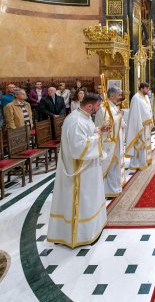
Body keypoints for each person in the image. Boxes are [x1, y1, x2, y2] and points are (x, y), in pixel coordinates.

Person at [47, 93, 109, 248]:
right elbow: (78, 148)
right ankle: (81, 233)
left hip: (89, 167)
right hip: (80, 170)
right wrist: (98, 135)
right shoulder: (75, 121)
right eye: (97, 105)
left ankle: (92, 227)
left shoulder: (83, 117)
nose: (98, 108)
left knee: (91, 196)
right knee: (83, 199)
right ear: (89, 106)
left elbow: (88, 133)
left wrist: (98, 130)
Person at [95, 87, 126, 197]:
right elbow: (108, 125)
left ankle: (115, 187)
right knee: (110, 165)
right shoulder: (104, 108)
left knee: (115, 165)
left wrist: (119, 116)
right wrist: (119, 116)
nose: (120, 97)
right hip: (108, 142)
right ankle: (109, 189)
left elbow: (116, 120)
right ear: (112, 96)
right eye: (118, 95)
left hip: (115, 141)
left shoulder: (112, 107)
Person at [125, 83, 153, 170]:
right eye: (146, 88)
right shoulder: (136, 98)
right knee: (139, 144)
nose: (148, 90)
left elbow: (148, 109)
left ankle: (144, 160)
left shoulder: (145, 97)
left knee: (145, 144)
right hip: (139, 125)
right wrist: (140, 124)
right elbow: (135, 113)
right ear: (141, 89)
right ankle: (136, 163)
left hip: (146, 126)